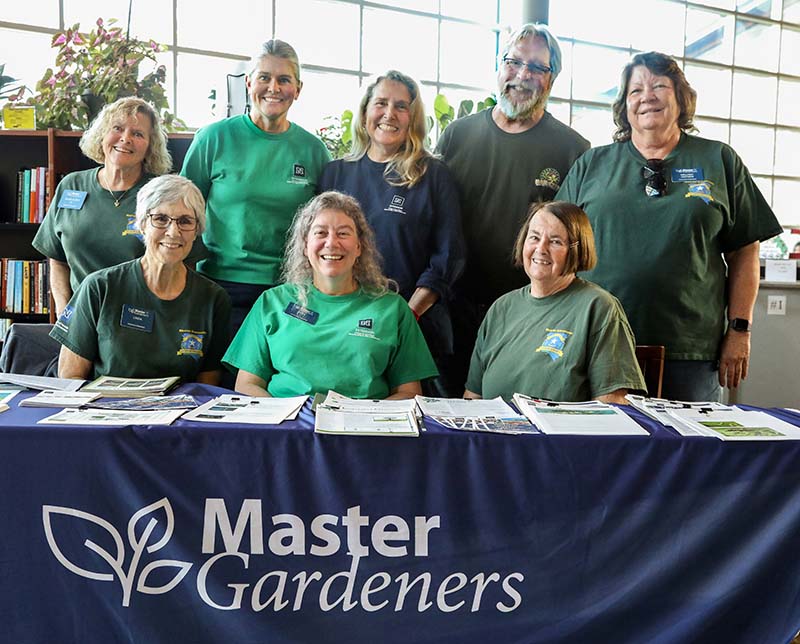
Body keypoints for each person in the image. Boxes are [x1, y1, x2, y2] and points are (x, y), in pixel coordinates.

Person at [557, 51, 782, 401]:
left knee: (688, 452)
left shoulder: (719, 160)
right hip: (597, 340)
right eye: (635, 90)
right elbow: (557, 246)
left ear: (681, 98)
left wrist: (739, 330)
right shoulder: (592, 164)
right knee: (598, 450)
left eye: (659, 85)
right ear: (624, 105)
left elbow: (745, 250)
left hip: (689, 350)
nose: (647, 96)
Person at [436, 23, 590, 390]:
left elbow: (577, 240)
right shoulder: (457, 135)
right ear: (499, 67)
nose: (522, 75)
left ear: (551, 80)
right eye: (514, 62)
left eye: (537, 67)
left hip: (531, 310)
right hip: (454, 306)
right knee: (452, 415)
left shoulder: (572, 149)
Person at [317, 70, 465, 395]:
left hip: (416, 325)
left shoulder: (434, 175)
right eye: (381, 103)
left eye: (401, 106)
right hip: (346, 327)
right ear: (365, 111)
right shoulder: (335, 173)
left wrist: (406, 315)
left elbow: (449, 256)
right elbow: (316, 251)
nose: (389, 114)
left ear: (413, 118)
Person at [223, 191, 438, 399]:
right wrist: (287, 423)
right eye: (320, 233)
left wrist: (359, 421)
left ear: (359, 247)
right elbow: (246, 385)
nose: (332, 243)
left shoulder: (392, 308)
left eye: (343, 233)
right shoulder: (271, 303)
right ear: (305, 246)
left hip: (362, 431)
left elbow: (409, 393)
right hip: (287, 430)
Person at [181, 39, 331, 331]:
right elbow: (184, 211)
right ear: (249, 83)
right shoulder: (213, 138)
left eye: (284, 79)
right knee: (219, 375)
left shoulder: (314, 151)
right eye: (264, 77)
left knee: (279, 375)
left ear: (298, 90)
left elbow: (326, 223)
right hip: (219, 283)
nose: (273, 87)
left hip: (289, 286)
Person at [50, 175, 231, 384]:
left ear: (196, 231)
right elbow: (69, 378)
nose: (173, 232)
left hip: (178, 414)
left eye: (185, 221)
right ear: (142, 224)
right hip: (106, 410)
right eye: (161, 219)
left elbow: (207, 387)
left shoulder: (214, 299)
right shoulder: (99, 287)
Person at [465, 202, 645, 403]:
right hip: (496, 434)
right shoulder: (501, 308)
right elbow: (472, 400)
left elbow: (611, 405)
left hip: (566, 434)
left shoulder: (599, 308)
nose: (541, 248)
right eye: (534, 237)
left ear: (577, 250)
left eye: (555, 241)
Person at [33, 97, 188, 317]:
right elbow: (57, 258)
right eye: (117, 128)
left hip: (141, 320)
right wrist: (63, 310)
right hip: (79, 318)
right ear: (102, 135)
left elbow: (181, 265)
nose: (125, 139)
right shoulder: (71, 186)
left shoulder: (163, 195)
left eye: (138, 134)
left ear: (150, 146)